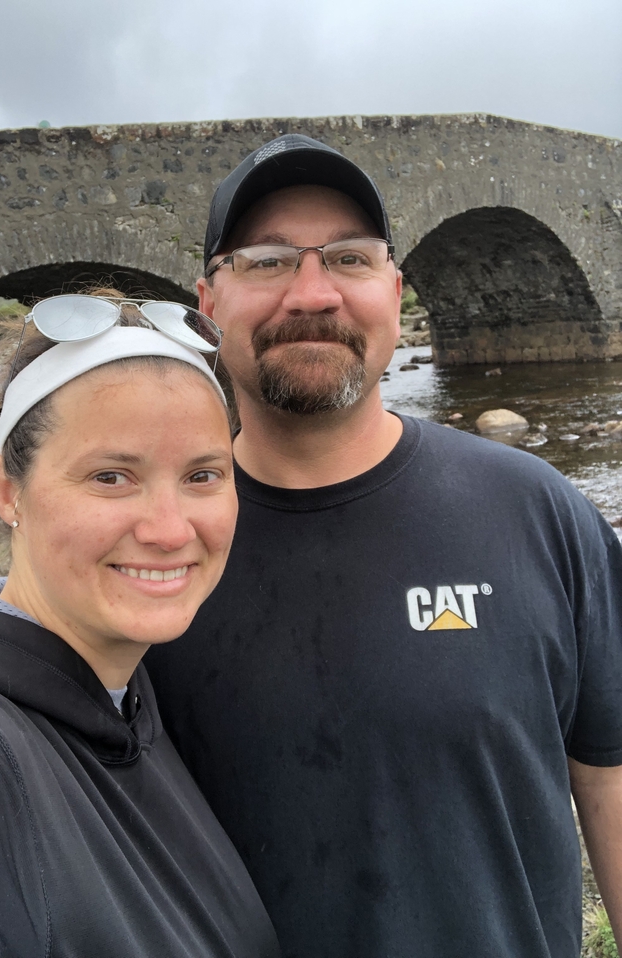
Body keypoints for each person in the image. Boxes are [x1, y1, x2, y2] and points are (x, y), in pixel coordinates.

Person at [144, 135, 622, 958]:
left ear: (396, 293)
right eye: (265, 261)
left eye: (350, 259)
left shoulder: (537, 510)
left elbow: (609, 778)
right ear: (207, 301)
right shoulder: (150, 552)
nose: (313, 292)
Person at [0, 293, 280, 958]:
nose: (169, 530)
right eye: (111, 476)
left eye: (202, 474)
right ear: (7, 490)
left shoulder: (123, 702)